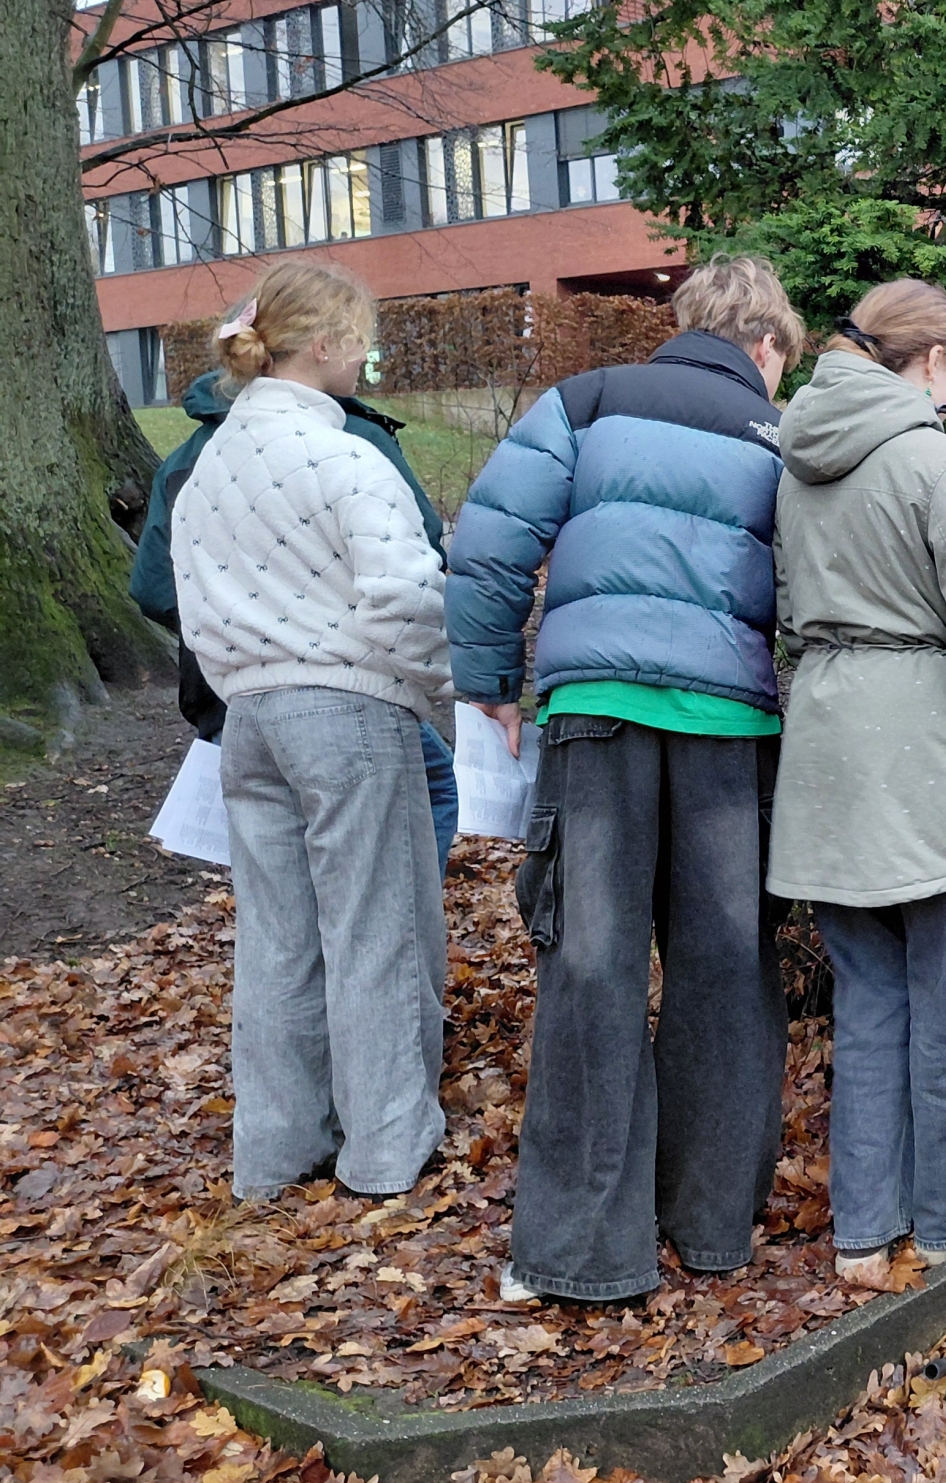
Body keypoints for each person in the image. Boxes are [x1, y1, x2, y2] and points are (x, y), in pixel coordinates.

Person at [448, 256, 800, 1303]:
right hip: (730, 728)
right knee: (726, 969)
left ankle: (580, 1250)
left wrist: (490, 681)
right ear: (767, 345)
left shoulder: (586, 400)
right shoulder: (780, 436)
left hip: (596, 714)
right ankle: (710, 1227)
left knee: (592, 968)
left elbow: (490, 541)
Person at [168, 260, 452, 1200]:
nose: (366, 354)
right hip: (348, 708)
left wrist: (243, 682)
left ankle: (276, 1154)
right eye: (359, 336)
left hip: (249, 718)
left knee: (277, 940)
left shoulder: (209, 468)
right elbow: (405, 598)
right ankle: (386, 1148)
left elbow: (186, 600)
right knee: (376, 929)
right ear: (324, 343)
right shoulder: (344, 457)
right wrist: (446, 687)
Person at [767, 279, 946, 1277]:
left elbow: (789, 609)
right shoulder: (942, 463)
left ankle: (863, 1232)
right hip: (928, 748)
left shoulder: (796, 464)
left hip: (829, 737)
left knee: (872, 999)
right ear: (932, 359)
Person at [133, 364, 461, 873]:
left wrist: (232, 624)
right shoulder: (350, 437)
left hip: (229, 696)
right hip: (347, 690)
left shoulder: (186, 461)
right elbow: (415, 562)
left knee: (278, 877)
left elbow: (152, 587)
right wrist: (448, 676)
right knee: (420, 807)